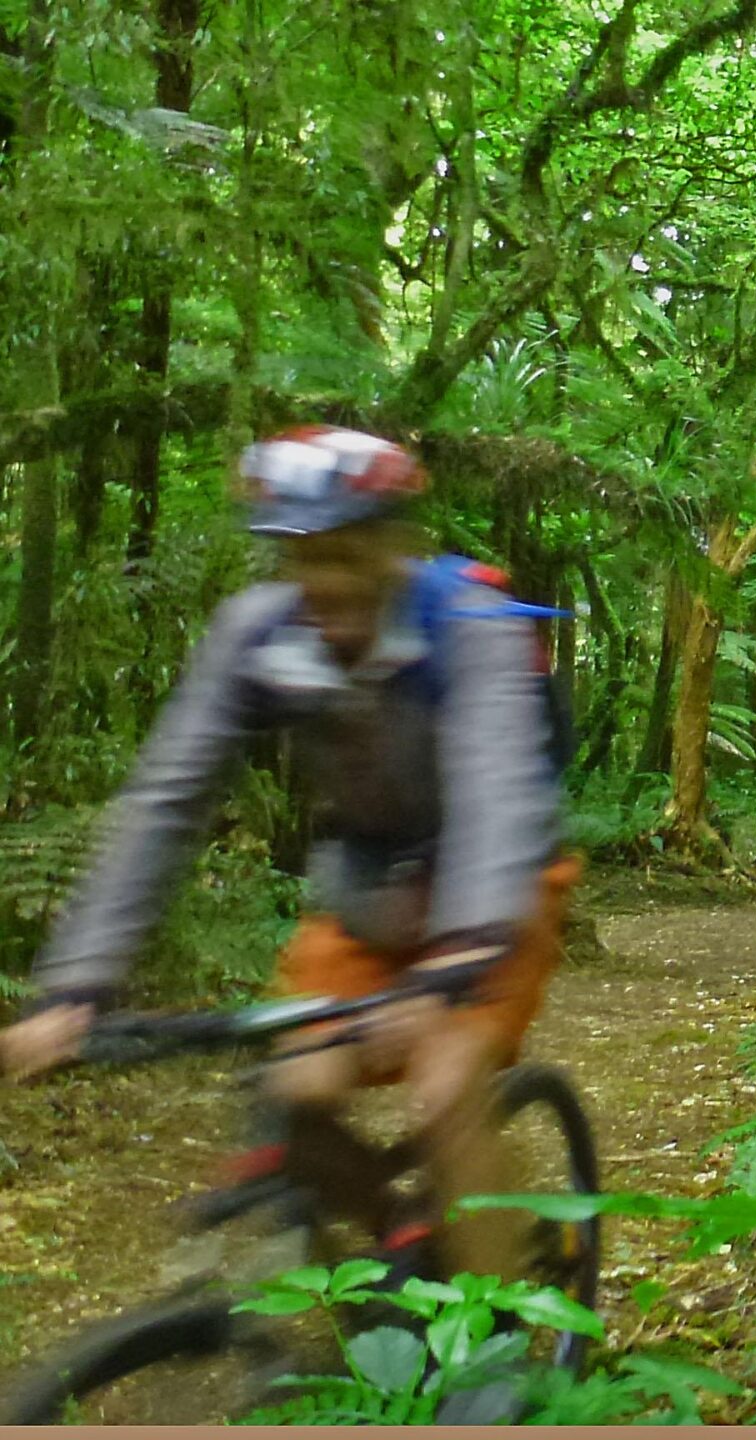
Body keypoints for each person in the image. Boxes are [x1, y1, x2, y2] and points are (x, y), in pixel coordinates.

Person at [0, 425, 578, 1279]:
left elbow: (498, 794)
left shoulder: (472, 624)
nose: (325, 580)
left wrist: (457, 963)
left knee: (449, 1081)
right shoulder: (258, 632)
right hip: (372, 887)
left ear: (398, 545)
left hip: (497, 891)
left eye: (348, 552)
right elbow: (167, 800)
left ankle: (491, 1373)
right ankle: (403, 1238)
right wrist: (77, 986)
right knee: (294, 1089)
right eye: (301, 556)